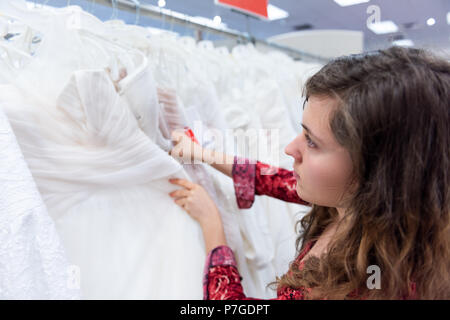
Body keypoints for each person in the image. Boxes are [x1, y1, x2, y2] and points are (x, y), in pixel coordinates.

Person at [167, 47, 450, 300]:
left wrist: (212, 226)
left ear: (376, 169)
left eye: (312, 142)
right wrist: (203, 154)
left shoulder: (370, 285)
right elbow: (273, 179)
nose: (291, 148)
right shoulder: (362, 210)